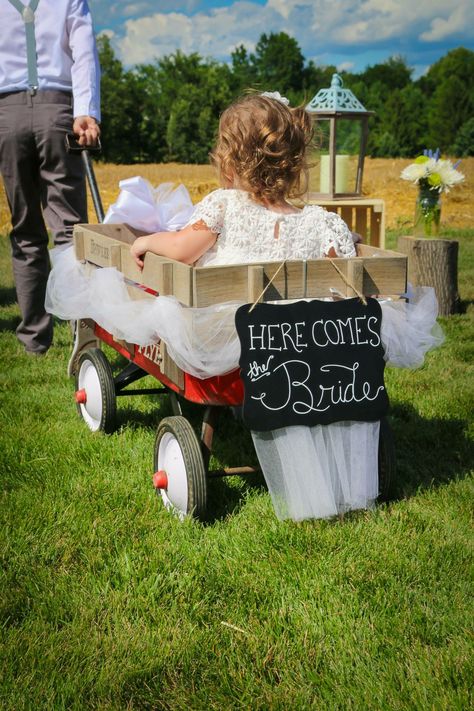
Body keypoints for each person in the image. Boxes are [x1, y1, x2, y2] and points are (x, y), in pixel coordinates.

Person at [130, 93, 357, 269]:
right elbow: (340, 274)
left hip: (237, 322)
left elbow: (181, 249)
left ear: (229, 162)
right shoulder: (321, 222)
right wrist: (348, 238)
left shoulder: (224, 205)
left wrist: (148, 242)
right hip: (297, 328)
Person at [0, 0, 101, 355]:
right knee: (70, 229)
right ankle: (82, 331)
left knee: (25, 228)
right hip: (58, 110)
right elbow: (84, 51)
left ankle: (33, 339)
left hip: (6, 114)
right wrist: (86, 111)